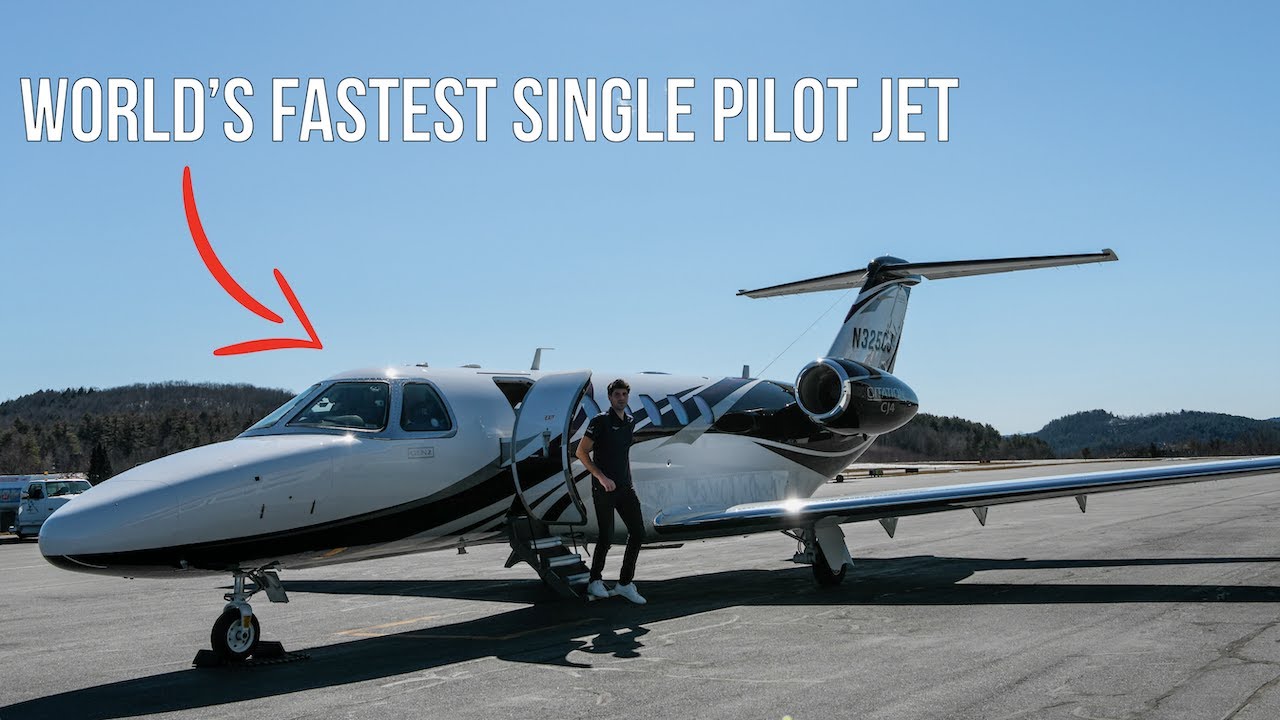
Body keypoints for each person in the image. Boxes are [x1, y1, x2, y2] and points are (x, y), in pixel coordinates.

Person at [575, 378, 647, 604]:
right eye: (617, 394)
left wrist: (628, 479)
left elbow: (623, 455)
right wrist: (602, 477)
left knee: (638, 533)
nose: (621, 398)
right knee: (606, 536)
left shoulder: (630, 422)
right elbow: (581, 452)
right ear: (609, 398)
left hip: (625, 487)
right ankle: (595, 580)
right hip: (603, 487)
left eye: (624, 394)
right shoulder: (600, 421)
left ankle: (624, 584)